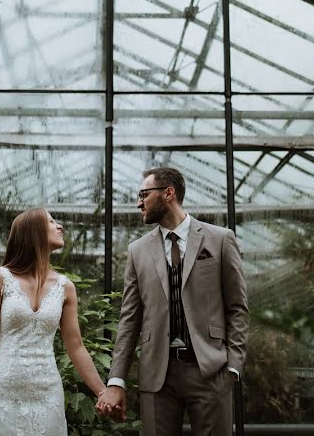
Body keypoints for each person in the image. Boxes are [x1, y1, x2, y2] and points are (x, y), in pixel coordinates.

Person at [96, 167, 249, 436]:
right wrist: (116, 379)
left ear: (168, 194)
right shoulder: (137, 251)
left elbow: (237, 308)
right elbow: (129, 319)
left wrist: (233, 367)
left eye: (144, 194)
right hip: (158, 377)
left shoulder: (220, 239)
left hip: (211, 371)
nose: (138, 202)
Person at [0, 208, 107, 435]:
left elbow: (76, 347)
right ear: (33, 232)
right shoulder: (0, 279)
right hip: (2, 394)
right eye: (51, 222)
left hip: (47, 394)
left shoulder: (65, 287)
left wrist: (102, 391)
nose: (60, 226)